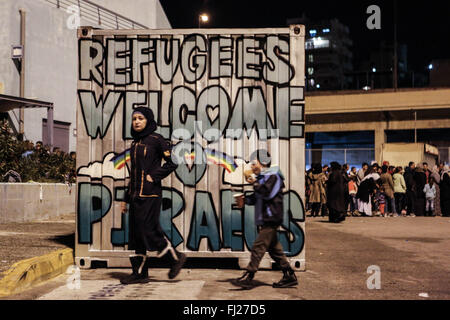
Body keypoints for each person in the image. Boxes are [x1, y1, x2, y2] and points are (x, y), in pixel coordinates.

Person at [120, 107, 183, 285]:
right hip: (135, 196)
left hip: (150, 195)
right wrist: (126, 199)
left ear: (148, 120)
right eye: (134, 119)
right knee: (136, 235)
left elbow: (173, 162)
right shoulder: (134, 143)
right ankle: (139, 273)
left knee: (148, 231)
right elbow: (133, 174)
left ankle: (175, 258)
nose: (137, 122)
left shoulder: (156, 140)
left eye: (141, 118)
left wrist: (153, 176)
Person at [234, 150, 298, 289]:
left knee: (258, 246)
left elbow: (267, 193)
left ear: (262, 162)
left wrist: (254, 182)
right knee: (275, 250)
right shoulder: (264, 178)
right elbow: (259, 197)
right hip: (267, 217)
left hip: (272, 217)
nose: (252, 167)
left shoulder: (274, 176)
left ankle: (249, 275)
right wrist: (245, 200)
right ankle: (289, 275)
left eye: (254, 163)